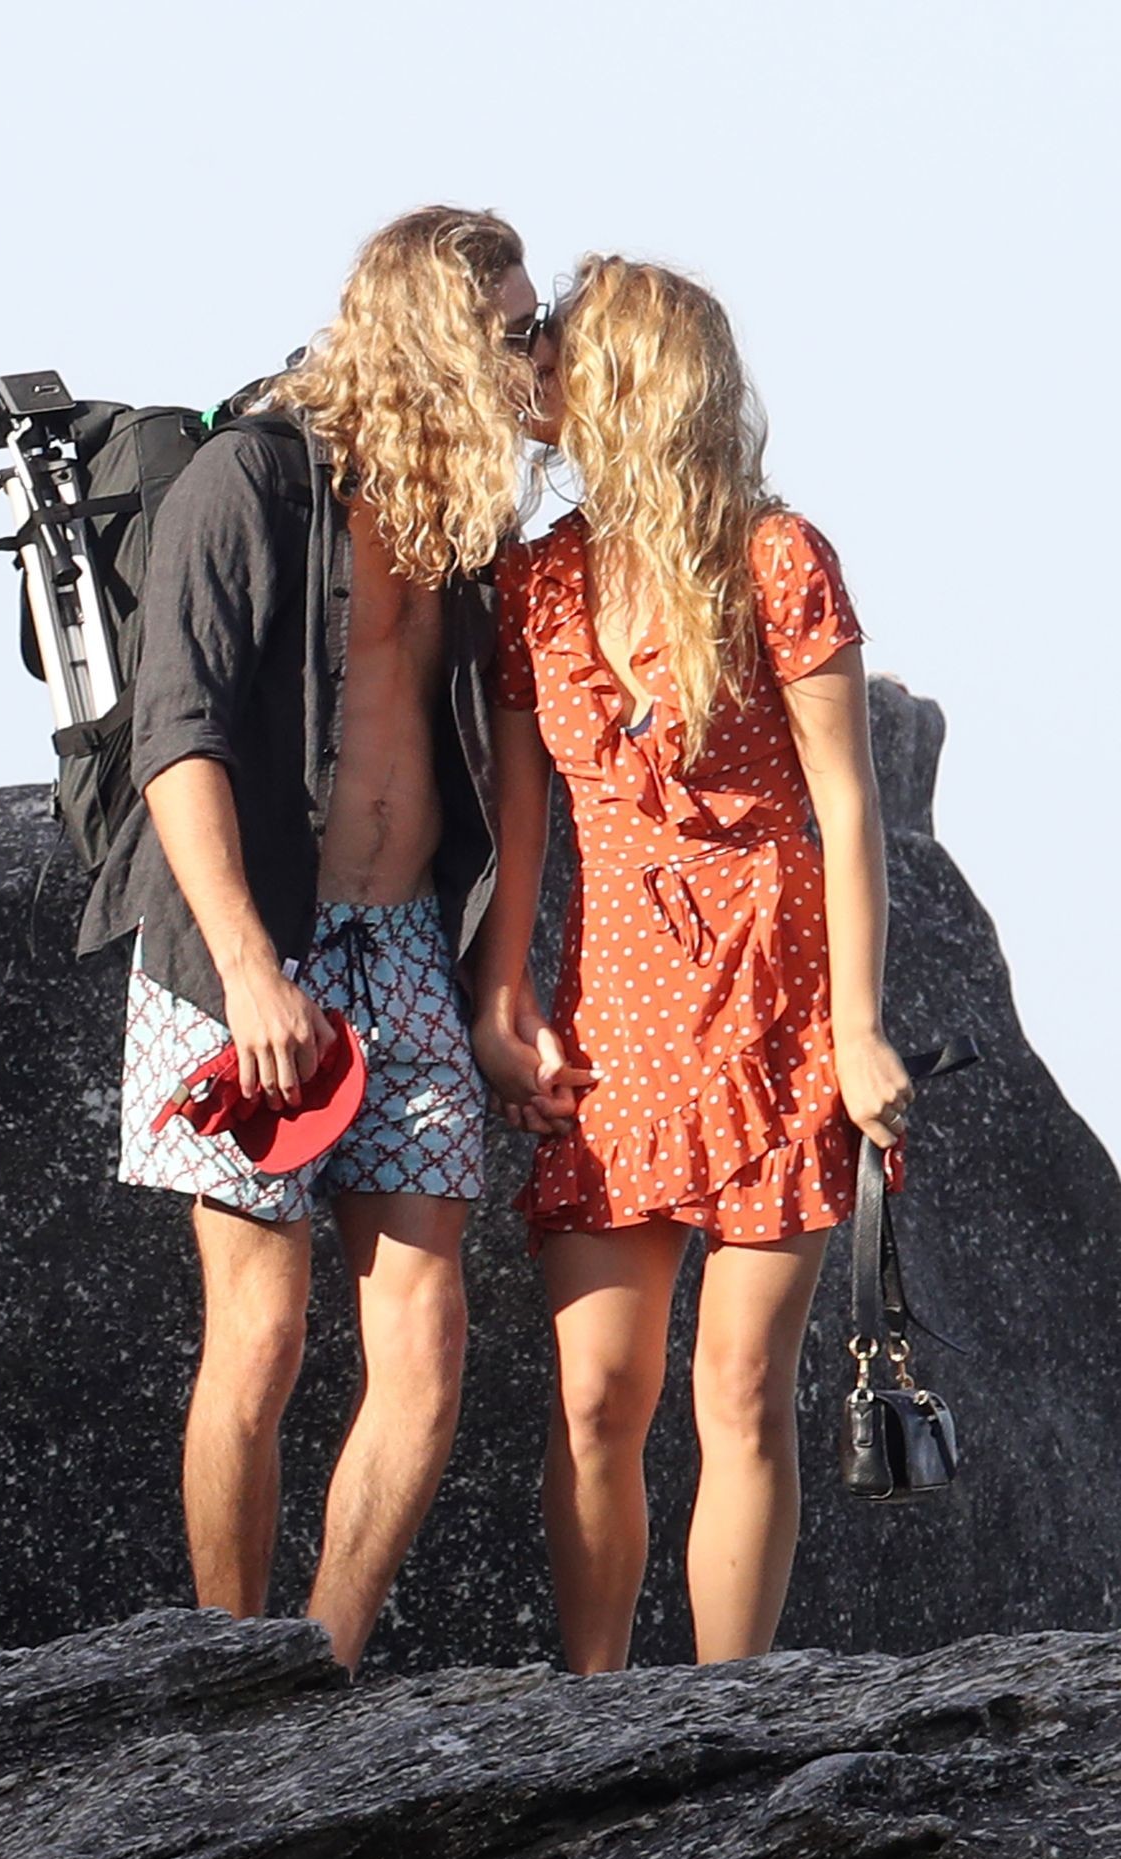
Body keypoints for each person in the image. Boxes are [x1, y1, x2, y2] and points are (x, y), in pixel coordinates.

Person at [77, 206, 553, 1672]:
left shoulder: (462, 522)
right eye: (514, 331)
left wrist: (498, 981)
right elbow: (177, 742)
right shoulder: (250, 480)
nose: (535, 355)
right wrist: (246, 974)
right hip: (243, 943)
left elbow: (507, 759)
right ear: (435, 337)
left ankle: (324, 1668)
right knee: (263, 1328)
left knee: (430, 1336)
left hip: (403, 945)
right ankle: (229, 1671)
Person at [472, 255, 914, 1674]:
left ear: (626, 383)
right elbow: (523, 828)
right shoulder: (536, 581)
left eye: (558, 351)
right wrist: (501, 998)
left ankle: (733, 1722)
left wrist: (860, 1030)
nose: (533, 369)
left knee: (740, 1389)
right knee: (598, 1395)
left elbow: (849, 808)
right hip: (619, 1020)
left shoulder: (781, 559)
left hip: (778, 1014)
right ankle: (594, 1715)